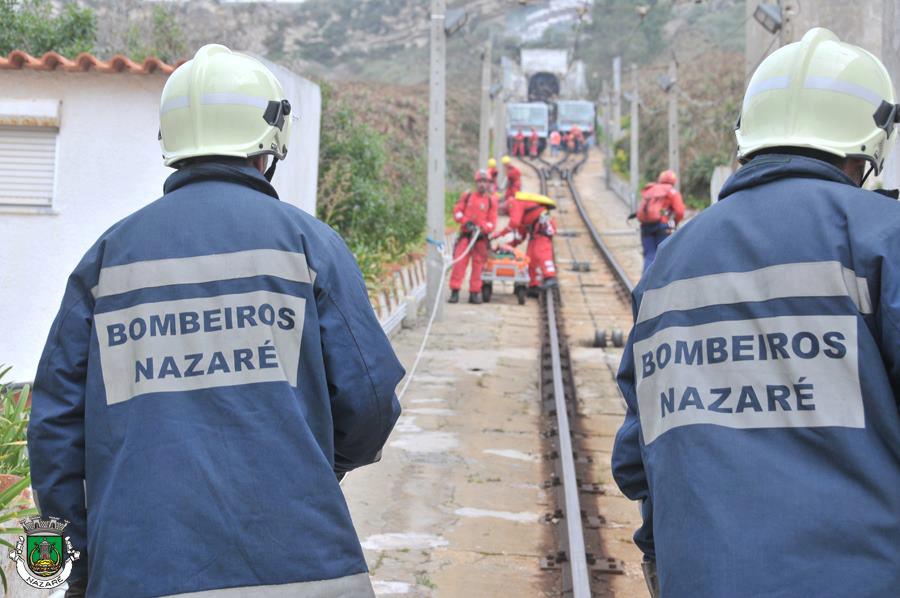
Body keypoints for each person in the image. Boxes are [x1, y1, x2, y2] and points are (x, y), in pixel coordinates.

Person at [27, 45, 403, 598]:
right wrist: (306, 456)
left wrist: (64, 572)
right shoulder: (310, 246)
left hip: (138, 572)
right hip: (307, 568)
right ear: (270, 140)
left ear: (171, 139)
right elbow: (370, 407)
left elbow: (54, 436)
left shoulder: (107, 259)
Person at [612, 28, 900, 598]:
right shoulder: (882, 239)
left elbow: (636, 459)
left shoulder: (671, 262)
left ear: (748, 136)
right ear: (869, 145)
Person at [449, 170, 498, 304]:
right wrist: (466, 221)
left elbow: (492, 222)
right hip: (465, 236)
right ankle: (454, 291)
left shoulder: (491, 201)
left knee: (478, 267)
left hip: (480, 239)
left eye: (485, 182)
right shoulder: (467, 196)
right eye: (480, 181)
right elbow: (457, 212)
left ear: (488, 184)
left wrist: (482, 227)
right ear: (476, 183)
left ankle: (474, 293)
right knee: (459, 264)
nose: (482, 184)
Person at [493, 193, 557, 294]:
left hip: (542, 227)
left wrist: (500, 233)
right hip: (535, 231)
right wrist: (506, 247)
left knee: (541, 252)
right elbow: (520, 235)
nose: (499, 212)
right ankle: (533, 285)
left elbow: (514, 222)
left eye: (498, 209)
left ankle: (550, 276)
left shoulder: (513, 203)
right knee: (530, 258)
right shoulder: (520, 212)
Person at [635, 169, 684, 273]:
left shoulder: (650, 189)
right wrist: (675, 222)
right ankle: (660, 284)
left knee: (649, 255)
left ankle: (646, 283)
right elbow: (679, 211)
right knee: (663, 256)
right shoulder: (672, 191)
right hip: (663, 226)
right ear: (673, 181)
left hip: (646, 226)